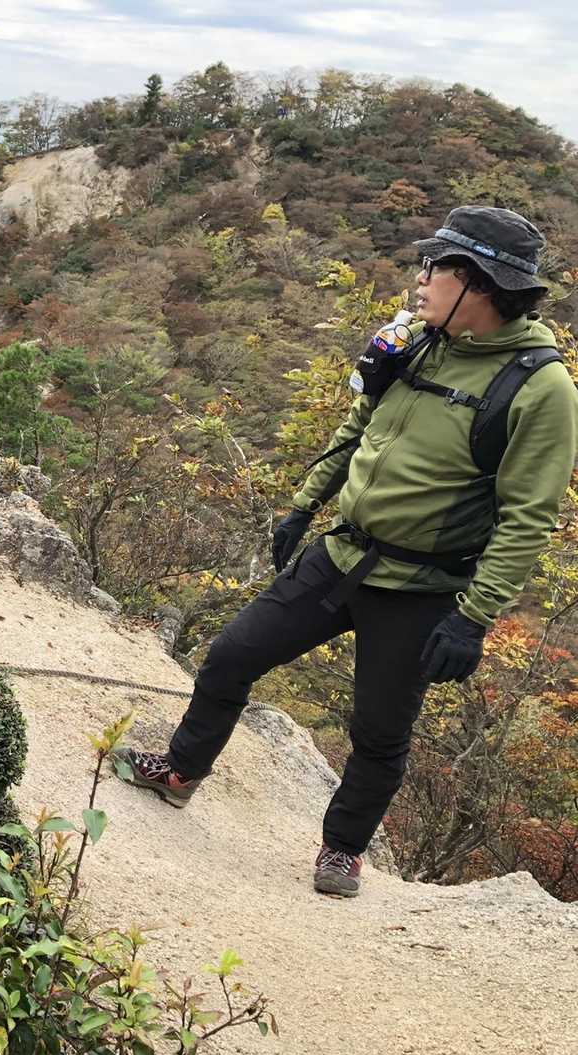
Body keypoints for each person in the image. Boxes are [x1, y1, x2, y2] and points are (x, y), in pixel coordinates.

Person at [114, 206, 578, 897]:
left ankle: (342, 850)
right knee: (233, 655)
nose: (420, 280)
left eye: (435, 268)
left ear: (479, 283)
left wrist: (473, 618)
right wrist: (304, 505)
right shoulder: (415, 343)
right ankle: (181, 772)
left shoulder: (540, 388)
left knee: (379, 732)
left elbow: (527, 517)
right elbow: (358, 425)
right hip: (340, 554)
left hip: (421, 587)